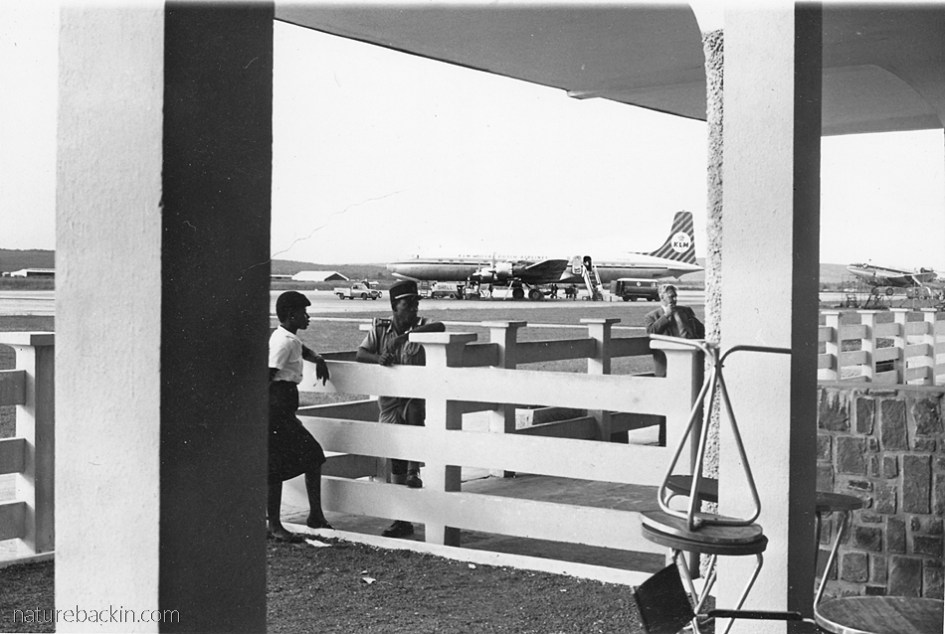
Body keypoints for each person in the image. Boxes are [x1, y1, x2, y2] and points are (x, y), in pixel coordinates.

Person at [356, 279, 445, 538]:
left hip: (413, 398)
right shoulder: (381, 329)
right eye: (408, 304)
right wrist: (379, 358)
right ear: (396, 306)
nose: (414, 308)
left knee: (415, 417)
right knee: (395, 454)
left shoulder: (422, 326)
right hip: (390, 401)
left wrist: (405, 338)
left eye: (416, 303)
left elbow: (441, 326)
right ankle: (401, 519)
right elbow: (361, 354)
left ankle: (414, 469)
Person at [268, 291, 332, 542]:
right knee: (309, 456)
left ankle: (313, 515)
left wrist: (316, 357)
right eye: (304, 313)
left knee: (301, 459)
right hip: (276, 408)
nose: (308, 317)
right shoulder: (284, 343)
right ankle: (275, 524)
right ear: (291, 314)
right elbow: (268, 374)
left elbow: (300, 348)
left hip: (282, 408)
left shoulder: (286, 337)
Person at [644, 283, 705, 377]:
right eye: (671, 297)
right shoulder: (652, 316)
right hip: (667, 362)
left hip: (688, 358)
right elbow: (651, 332)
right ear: (662, 297)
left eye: (676, 296)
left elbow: (701, 329)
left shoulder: (685, 311)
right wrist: (665, 316)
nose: (675, 299)